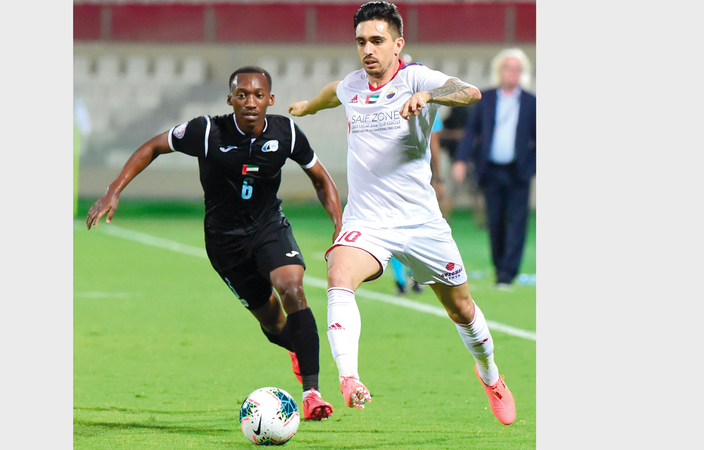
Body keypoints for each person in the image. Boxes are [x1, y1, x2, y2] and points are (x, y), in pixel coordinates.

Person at [288, 1, 516, 425]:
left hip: (421, 222)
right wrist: (308, 106)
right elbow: (333, 92)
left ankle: (490, 374)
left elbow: (469, 92)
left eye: (377, 40)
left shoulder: (415, 77)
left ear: (398, 43)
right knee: (339, 272)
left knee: (462, 309)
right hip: (367, 221)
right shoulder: (352, 85)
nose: (368, 49)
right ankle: (349, 378)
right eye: (361, 41)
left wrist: (428, 95)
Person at [87, 66, 341, 421]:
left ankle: (312, 394)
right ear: (229, 99)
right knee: (273, 323)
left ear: (270, 99)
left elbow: (320, 178)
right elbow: (153, 146)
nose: (250, 102)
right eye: (242, 95)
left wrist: (339, 225)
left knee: (292, 288)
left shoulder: (286, 133)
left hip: (269, 228)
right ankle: (298, 350)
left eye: (258, 95)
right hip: (225, 245)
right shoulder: (206, 131)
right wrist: (113, 190)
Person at [452, 48, 536, 289]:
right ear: (499, 71)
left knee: (517, 222)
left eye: (517, 69)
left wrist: (531, 166)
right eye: (508, 68)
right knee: (495, 221)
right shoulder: (485, 99)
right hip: (490, 170)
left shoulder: (530, 102)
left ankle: (508, 273)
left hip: (519, 172)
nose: (512, 73)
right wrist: (461, 159)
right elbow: (472, 131)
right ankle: (499, 267)